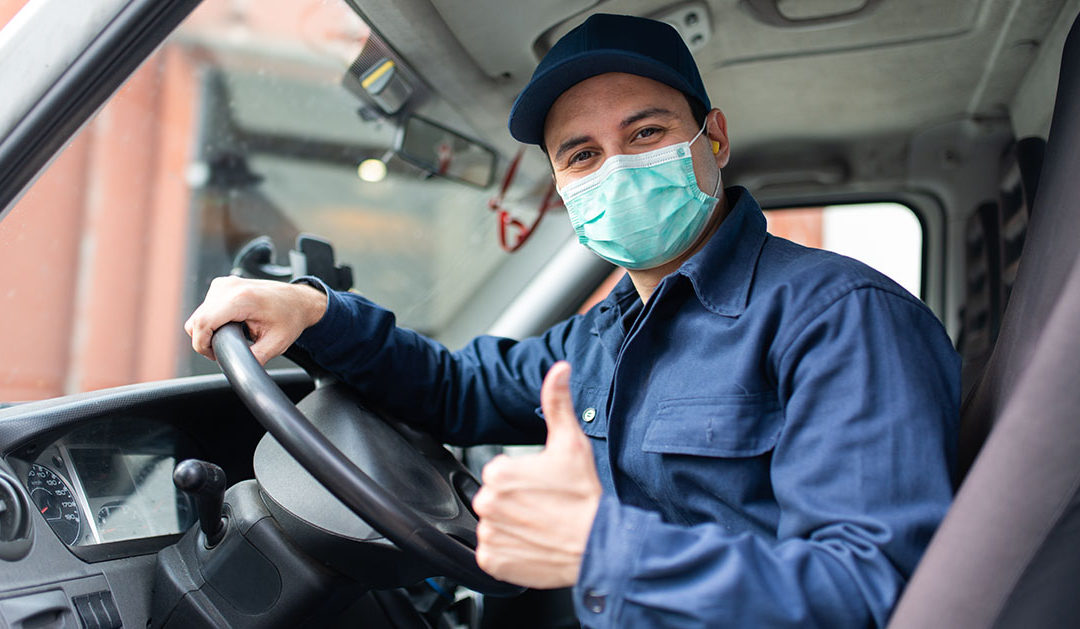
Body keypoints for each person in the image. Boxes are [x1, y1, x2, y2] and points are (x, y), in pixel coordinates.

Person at [185, 13, 960, 628]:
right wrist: (317, 310)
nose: (615, 167)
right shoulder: (603, 333)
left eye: (646, 133)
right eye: (582, 154)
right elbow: (456, 389)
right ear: (563, 185)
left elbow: (872, 593)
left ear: (713, 139)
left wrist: (602, 548)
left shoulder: (841, 319)